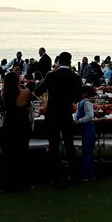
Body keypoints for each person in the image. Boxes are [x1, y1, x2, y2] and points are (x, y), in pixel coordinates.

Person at [34, 51, 82, 188]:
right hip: (66, 113)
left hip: (52, 114)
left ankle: (56, 176)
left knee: (54, 145)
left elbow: (37, 91)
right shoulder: (75, 77)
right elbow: (78, 98)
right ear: (70, 62)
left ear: (59, 62)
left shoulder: (51, 75)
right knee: (69, 144)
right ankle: (73, 175)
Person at [0, 71, 33, 191]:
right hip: (22, 124)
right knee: (22, 150)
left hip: (10, 124)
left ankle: (8, 181)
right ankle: (23, 181)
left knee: (9, 152)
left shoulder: (4, 93)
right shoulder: (25, 92)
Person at [74, 85, 96, 182]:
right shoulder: (81, 103)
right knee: (87, 152)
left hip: (88, 129)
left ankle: (86, 174)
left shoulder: (87, 103)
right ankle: (90, 174)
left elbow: (89, 116)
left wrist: (79, 121)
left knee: (87, 152)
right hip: (85, 130)